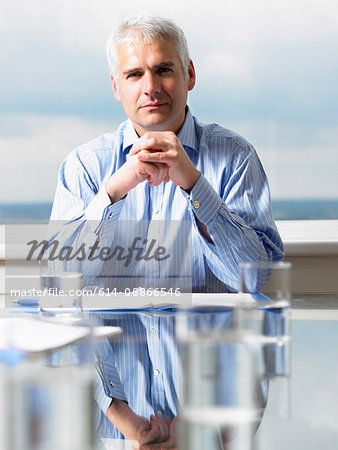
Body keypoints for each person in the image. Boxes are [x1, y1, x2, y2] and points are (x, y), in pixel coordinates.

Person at [49, 12, 284, 448]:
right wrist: (114, 192)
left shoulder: (234, 158)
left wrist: (194, 183)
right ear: (116, 88)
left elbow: (256, 277)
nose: (150, 87)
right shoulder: (84, 167)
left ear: (189, 74)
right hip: (112, 414)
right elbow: (58, 285)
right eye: (134, 74)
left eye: (163, 69)